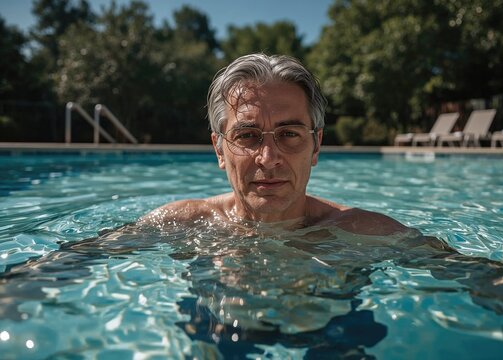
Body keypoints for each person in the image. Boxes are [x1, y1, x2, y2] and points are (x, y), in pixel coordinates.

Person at [139, 53, 408, 235]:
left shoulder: (365, 232)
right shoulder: (179, 224)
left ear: (316, 145)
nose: (268, 158)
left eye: (289, 134)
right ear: (219, 149)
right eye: (247, 135)